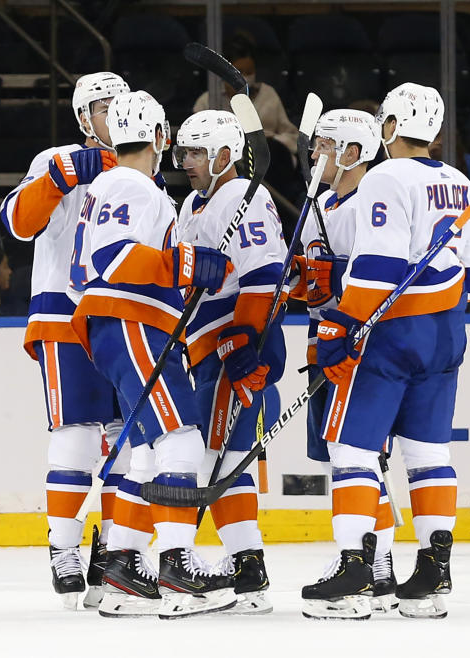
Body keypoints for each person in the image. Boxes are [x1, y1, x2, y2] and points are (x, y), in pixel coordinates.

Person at [301, 82, 470, 620]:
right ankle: (433, 573)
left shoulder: (384, 176)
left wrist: (342, 323)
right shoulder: (459, 181)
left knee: (354, 451)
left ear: (392, 127)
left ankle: (356, 570)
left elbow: (378, 266)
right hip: (447, 332)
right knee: (428, 453)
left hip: (391, 334)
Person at [69, 90, 234, 619]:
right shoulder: (130, 184)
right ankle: (176, 566)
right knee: (181, 438)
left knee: (143, 451)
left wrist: (185, 265)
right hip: (131, 322)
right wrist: (187, 261)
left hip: (122, 324)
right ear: (161, 137)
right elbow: (113, 258)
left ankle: (121, 564)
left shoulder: (120, 184)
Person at [0, 72, 130, 610]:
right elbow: (18, 222)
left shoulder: (142, 168)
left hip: (126, 319)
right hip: (65, 314)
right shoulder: (56, 157)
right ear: (83, 118)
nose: (113, 114)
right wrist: (58, 177)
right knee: (76, 435)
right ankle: (64, 547)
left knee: (128, 443)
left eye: (120, 105)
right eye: (102, 107)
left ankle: (116, 550)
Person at [171, 109, 288, 614]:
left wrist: (245, 341)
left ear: (224, 156)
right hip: (202, 349)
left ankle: (199, 568)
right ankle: (248, 568)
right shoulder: (193, 203)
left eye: (196, 153)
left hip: (231, 351)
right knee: (220, 459)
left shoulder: (246, 197)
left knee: (209, 458)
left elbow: (266, 276)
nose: (187, 162)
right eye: (184, 152)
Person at [286, 109, 400, 613]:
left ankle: (375, 562)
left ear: (352, 153)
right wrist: (295, 277)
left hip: (359, 345)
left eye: (324, 146)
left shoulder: (370, 203)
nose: (314, 154)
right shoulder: (319, 205)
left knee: (362, 455)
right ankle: (378, 565)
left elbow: (373, 284)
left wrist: (329, 281)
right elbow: (308, 280)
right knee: (347, 456)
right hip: (323, 340)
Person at [193, 34, 298, 156]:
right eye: (240, 72)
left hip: (268, 158)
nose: (245, 78)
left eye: (249, 72)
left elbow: (293, 137)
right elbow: (196, 143)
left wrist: (272, 141)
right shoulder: (207, 101)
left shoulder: (268, 94)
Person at [429, 129, 470, 230]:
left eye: (444, 136)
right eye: (436, 136)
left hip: (465, 234)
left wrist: (457, 211)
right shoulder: (419, 169)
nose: (440, 141)